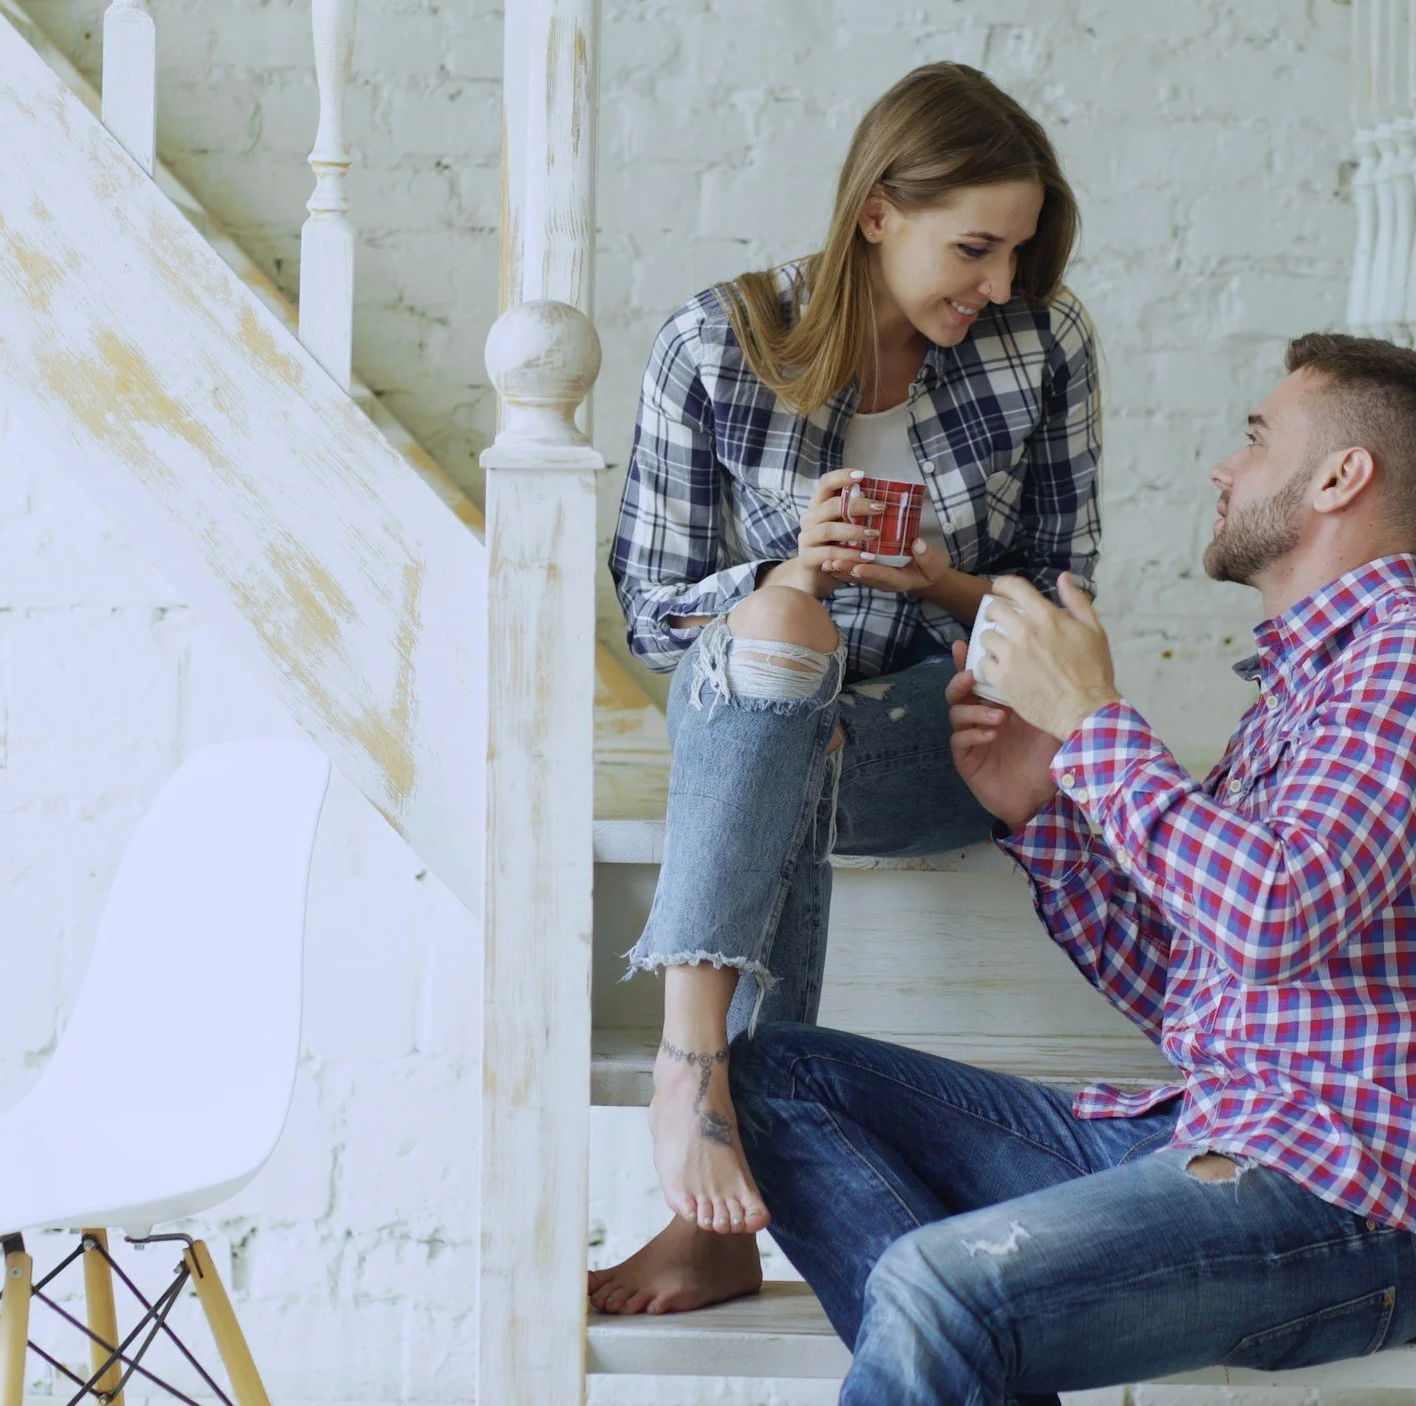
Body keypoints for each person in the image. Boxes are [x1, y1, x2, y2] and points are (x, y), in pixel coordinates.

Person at [729, 334, 1416, 1403]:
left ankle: (954, 1329)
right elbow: (1189, 984)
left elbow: (1270, 917)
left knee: (935, 1283)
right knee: (775, 1079)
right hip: (1214, 1133)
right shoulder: (1305, 689)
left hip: (1360, 1192)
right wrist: (1043, 814)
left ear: (1341, 477)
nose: (1224, 466)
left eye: (1256, 438)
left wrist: (1093, 721)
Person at [591, 61, 1101, 1317]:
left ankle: (696, 1106)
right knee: (782, 633)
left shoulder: (1046, 344)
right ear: (876, 211)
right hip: (757, 718)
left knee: (795, 698)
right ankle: (702, 1078)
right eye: (973, 250)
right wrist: (790, 571)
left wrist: (943, 583)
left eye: (1017, 253)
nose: (999, 286)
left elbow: (1062, 612)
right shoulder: (714, 342)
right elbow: (651, 612)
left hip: (933, 740)